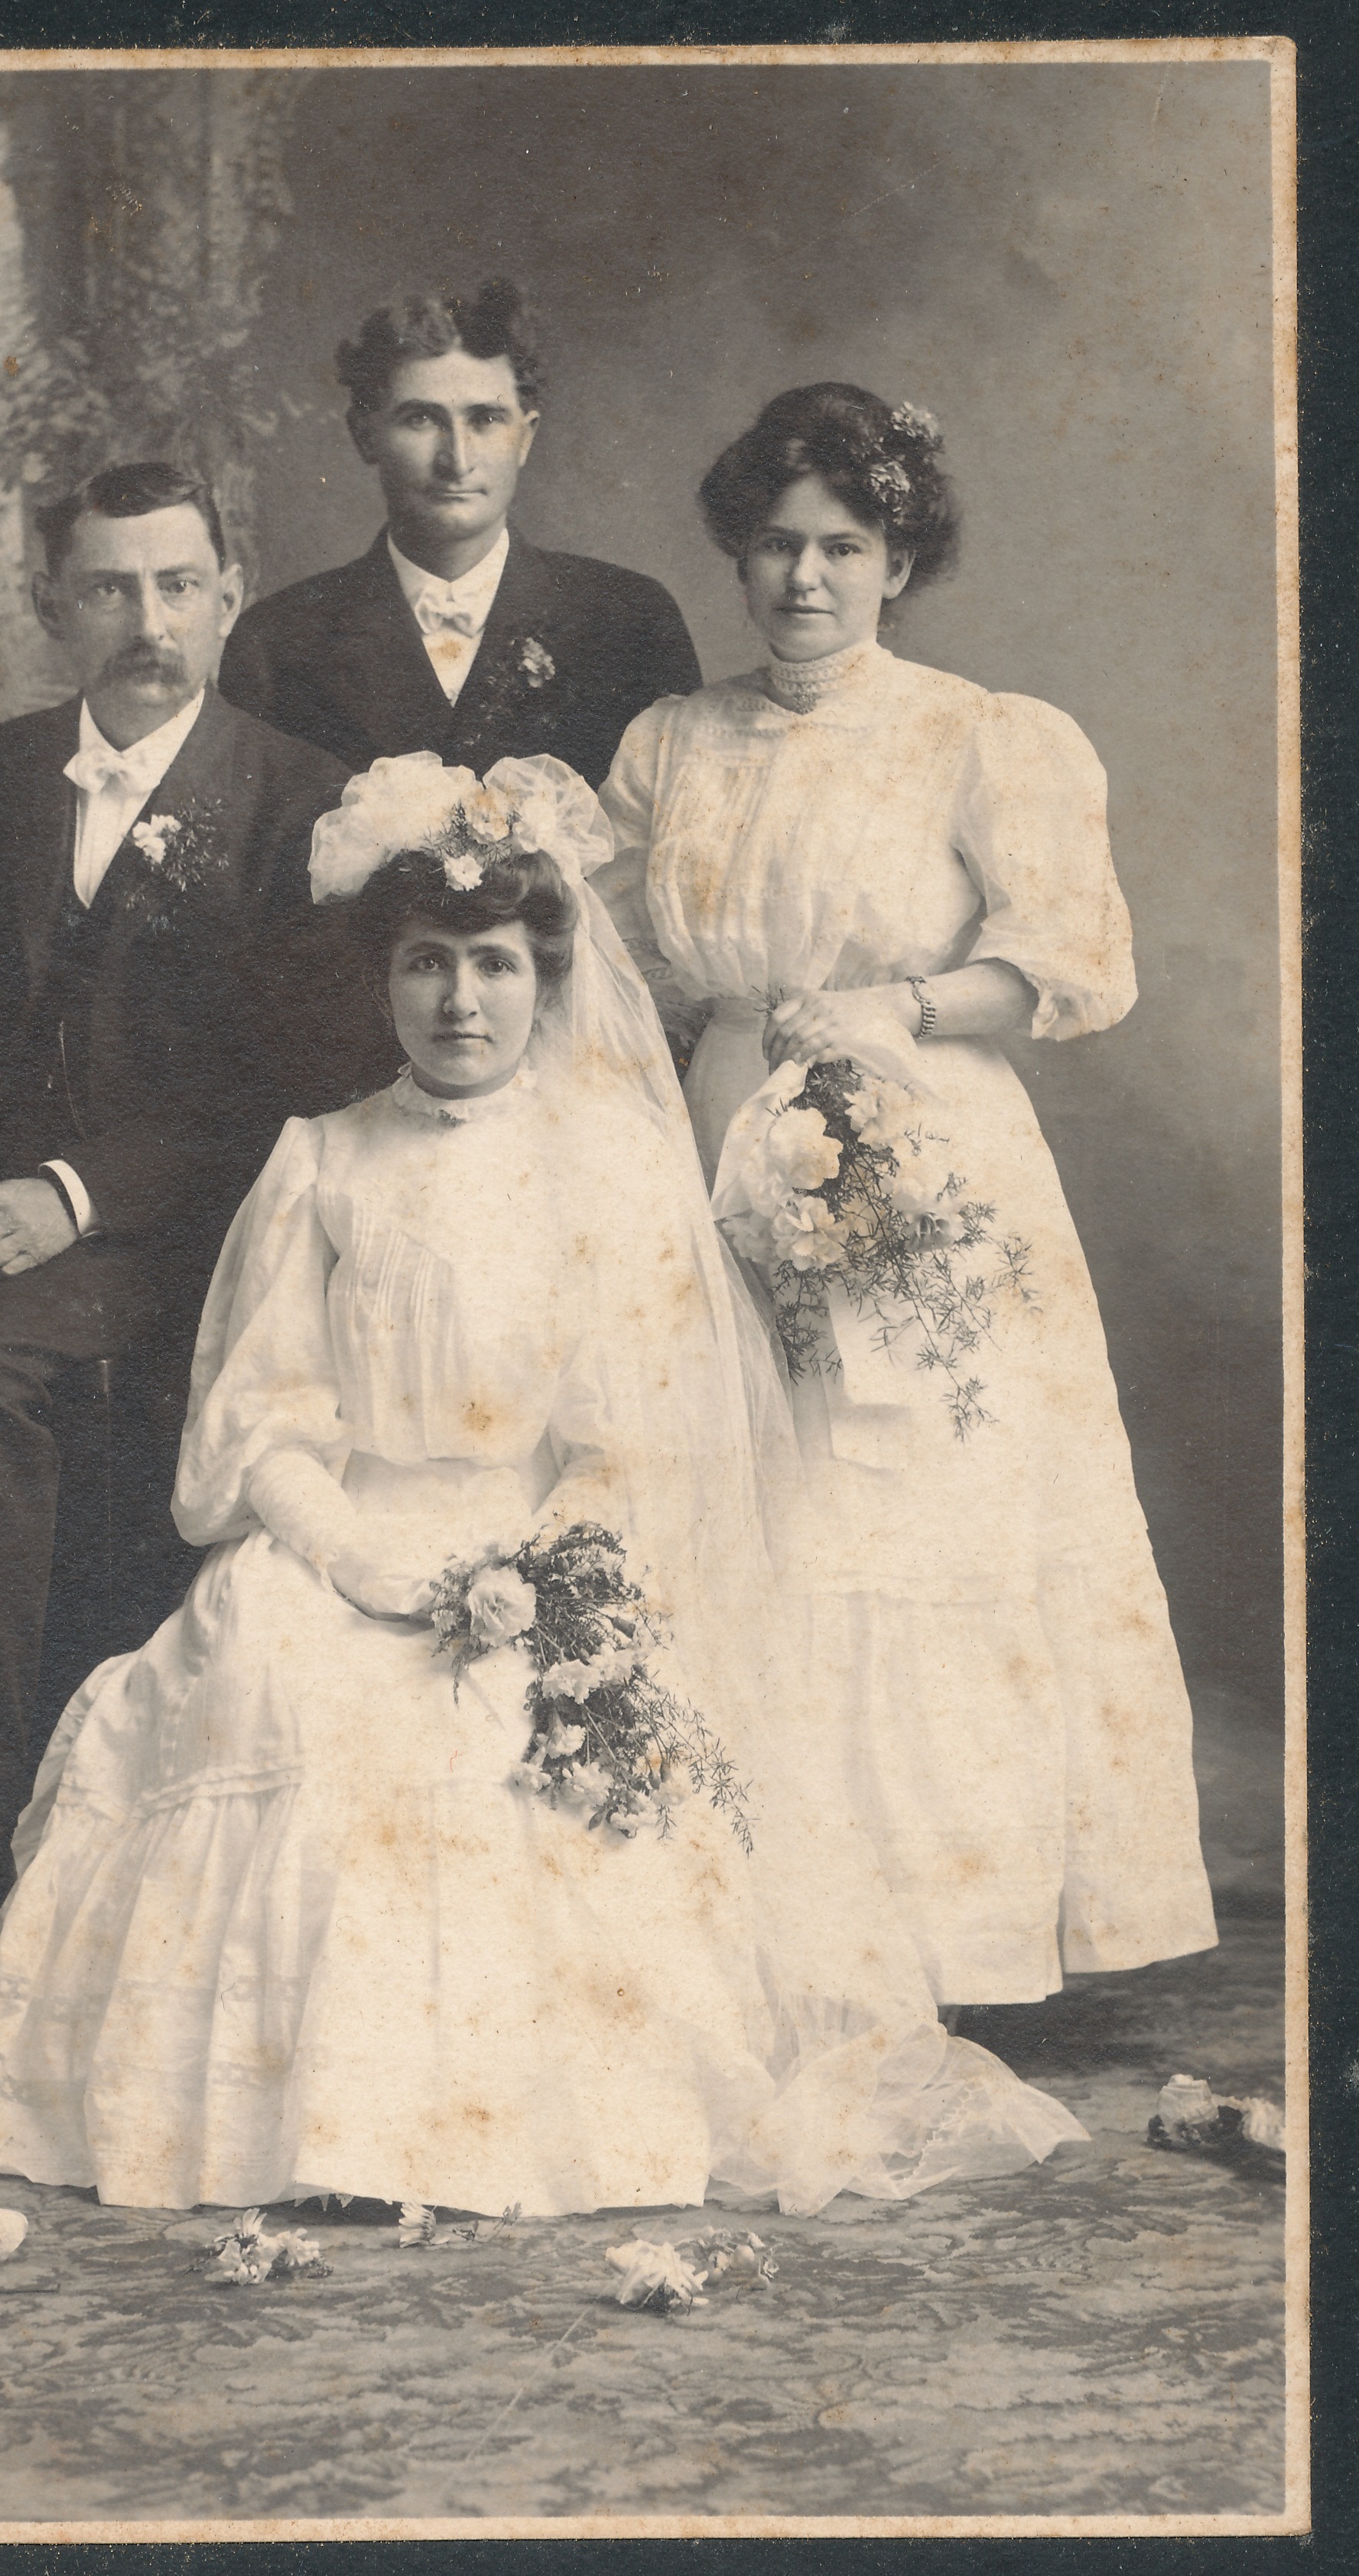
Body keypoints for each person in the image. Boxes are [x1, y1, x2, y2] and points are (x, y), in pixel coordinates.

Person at [0, 750, 1085, 2220]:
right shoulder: (319, 1160)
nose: (461, 1001)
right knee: (274, 1689)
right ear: (383, 978)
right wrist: (357, 1556)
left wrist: (537, 1569)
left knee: (502, 1733)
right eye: (429, 963)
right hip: (338, 1549)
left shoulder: (611, 1172)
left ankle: (476, 2129)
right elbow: (259, 1424)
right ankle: (289, 2128)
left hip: (542, 1550)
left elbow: (630, 1440)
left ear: (547, 977)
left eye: (496, 964)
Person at [594, 382, 1219, 2010]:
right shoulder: (666, 745)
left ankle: (944, 1938)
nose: (806, 578)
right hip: (716, 1137)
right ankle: (757, 1922)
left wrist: (900, 1010)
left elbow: (1074, 963)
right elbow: (608, 969)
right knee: (748, 1497)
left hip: (924, 1143)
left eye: (844, 547)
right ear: (739, 554)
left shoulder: (981, 733)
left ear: (900, 557)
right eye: (778, 546)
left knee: (903, 1501)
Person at [0, 460, 362, 2002]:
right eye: (110, 588)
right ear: (52, 605)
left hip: (209, 1239)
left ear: (227, 594)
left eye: (178, 584)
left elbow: (291, 1085)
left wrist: (78, 1192)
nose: (148, 620)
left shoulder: (299, 797)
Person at [218, 279, 701, 788]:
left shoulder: (632, 623)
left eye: (486, 419)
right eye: (422, 419)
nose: (458, 461)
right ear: (366, 436)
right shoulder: (275, 644)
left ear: (525, 437)